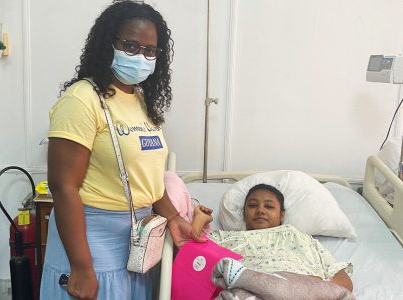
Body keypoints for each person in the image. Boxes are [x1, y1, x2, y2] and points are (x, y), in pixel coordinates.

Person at [40, 2, 203, 300]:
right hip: (91, 242)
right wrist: (81, 267)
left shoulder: (141, 102)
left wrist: (174, 217)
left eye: (150, 51)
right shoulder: (83, 100)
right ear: (108, 44)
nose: (141, 56)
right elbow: (63, 186)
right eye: (130, 46)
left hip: (136, 243)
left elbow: (147, 180)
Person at [190, 184, 353, 293]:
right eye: (253, 205)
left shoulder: (300, 237)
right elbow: (191, 257)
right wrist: (200, 219)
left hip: (302, 288)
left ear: (281, 214)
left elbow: (341, 279)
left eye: (269, 206)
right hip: (251, 290)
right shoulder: (226, 237)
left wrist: (316, 288)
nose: (260, 210)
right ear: (244, 214)